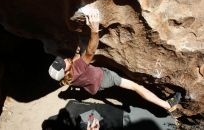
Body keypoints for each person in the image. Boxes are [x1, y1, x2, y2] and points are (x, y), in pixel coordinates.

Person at [48, 8, 181, 113]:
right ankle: (167, 105)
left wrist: (79, 45)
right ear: (65, 71)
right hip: (105, 78)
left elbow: (77, 57)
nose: (63, 59)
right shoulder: (77, 69)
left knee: (121, 78)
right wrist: (94, 31)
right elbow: (90, 52)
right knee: (136, 87)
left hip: (93, 86)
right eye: (62, 63)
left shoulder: (67, 78)